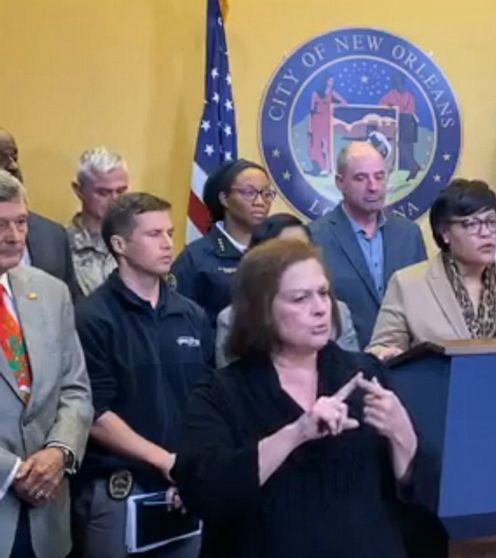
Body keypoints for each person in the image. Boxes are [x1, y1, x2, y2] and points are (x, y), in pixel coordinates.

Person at [173, 238, 421, 558]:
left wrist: (402, 433)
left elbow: (415, 492)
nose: (320, 308)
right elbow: (204, 492)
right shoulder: (222, 392)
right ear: (261, 310)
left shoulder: (365, 375)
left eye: (323, 293)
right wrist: (297, 433)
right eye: (300, 298)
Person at [73, 193, 214, 558]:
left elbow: (209, 397)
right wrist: (166, 461)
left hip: (184, 488)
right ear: (119, 244)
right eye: (154, 234)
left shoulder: (192, 315)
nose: (168, 243)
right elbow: (94, 414)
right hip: (122, 489)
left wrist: (190, 465)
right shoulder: (92, 318)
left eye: (169, 232)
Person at [0, 169, 93, 558]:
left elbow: (75, 389)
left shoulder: (50, 291)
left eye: (21, 222)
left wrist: (59, 451)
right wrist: (11, 471)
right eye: (1, 225)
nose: (15, 236)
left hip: (47, 517)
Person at [367, 179, 496, 360]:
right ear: (445, 232)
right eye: (472, 224)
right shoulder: (408, 284)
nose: (486, 232)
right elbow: (380, 349)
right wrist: (385, 354)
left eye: (491, 222)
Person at [309, 142, 427, 349]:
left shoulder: (409, 234)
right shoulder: (315, 237)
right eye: (361, 178)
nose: (373, 187)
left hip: (403, 363)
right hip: (343, 365)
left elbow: (423, 303)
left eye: (379, 176)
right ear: (340, 182)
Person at [215, 213, 360, 367]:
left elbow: (352, 372)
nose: (298, 259)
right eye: (285, 252)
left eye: (304, 249)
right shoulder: (231, 319)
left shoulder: (339, 312)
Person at [172, 159, 275, 325]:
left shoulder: (275, 252)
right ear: (224, 199)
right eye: (249, 193)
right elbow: (179, 321)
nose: (260, 202)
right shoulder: (195, 258)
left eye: (267, 193)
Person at [0, 127, 81, 300]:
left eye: (14, 157)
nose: (13, 166)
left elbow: (74, 307)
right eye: (1, 157)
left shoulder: (52, 234)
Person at [67, 147, 129, 296]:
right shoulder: (61, 246)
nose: (115, 200)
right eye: (103, 192)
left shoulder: (137, 240)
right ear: (79, 190)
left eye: (121, 191)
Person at [378, 73, 421, 180]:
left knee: (407, 146)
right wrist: (390, 108)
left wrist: (401, 111)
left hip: (408, 123)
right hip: (398, 123)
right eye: (397, 82)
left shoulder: (410, 96)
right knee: (400, 145)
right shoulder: (391, 95)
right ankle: (414, 166)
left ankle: (413, 166)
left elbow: (411, 110)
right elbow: (381, 106)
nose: (399, 85)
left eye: (401, 82)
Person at [308, 76, 347, 176]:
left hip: (326, 121)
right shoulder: (315, 94)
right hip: (316, 121)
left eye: (333, 81)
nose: (332, 82)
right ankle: (319, 167)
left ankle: (328, 168)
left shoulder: (332, 93)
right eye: (330, 80)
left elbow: (344, 103)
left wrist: (332, 108)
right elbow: (311, 111)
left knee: (326, 145)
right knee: (316, 144)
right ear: (325, 81)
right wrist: (309, 126)